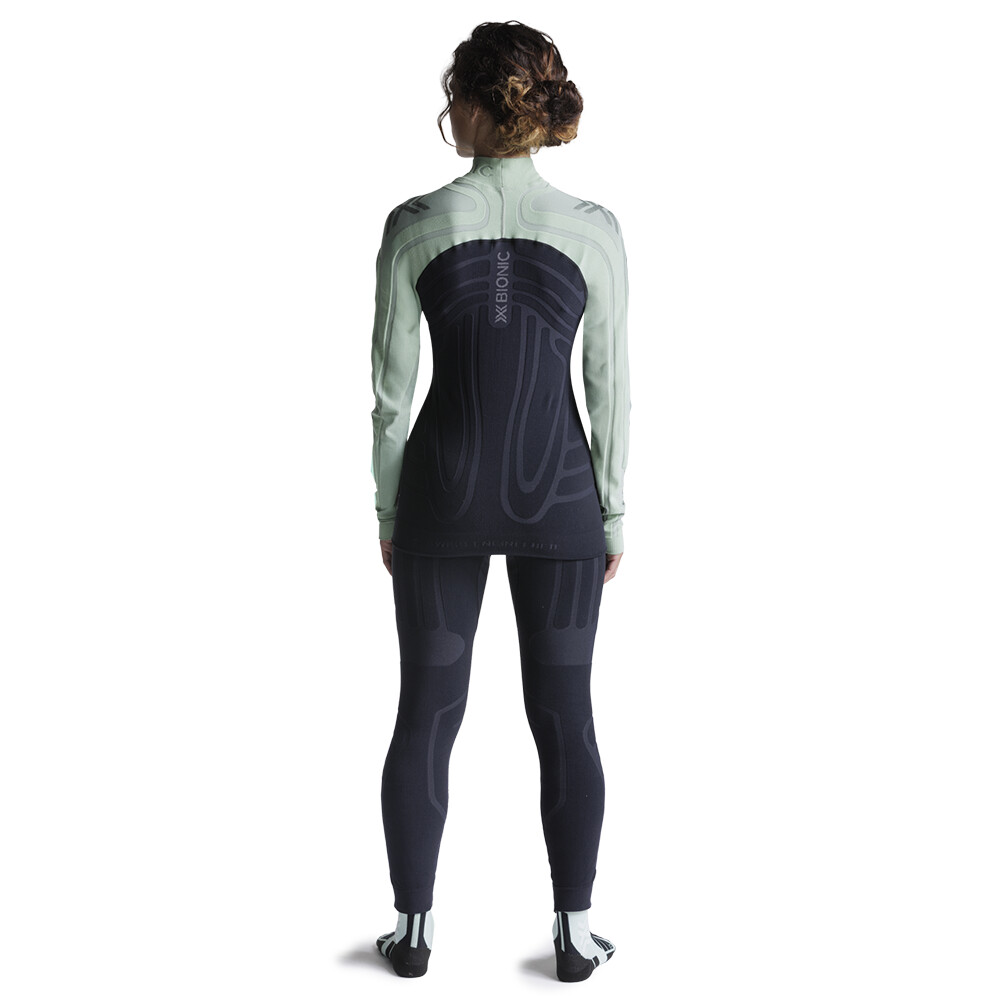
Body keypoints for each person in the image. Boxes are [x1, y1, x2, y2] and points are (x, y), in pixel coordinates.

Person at [368, 20, 630, 982]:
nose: (449, 112)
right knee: (566, 716)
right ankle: (575, 933)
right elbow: (610, 388)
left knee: (426, 713)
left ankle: (413, 932)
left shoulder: (413, 223)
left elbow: (390, 397)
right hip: (560, 497)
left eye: (453, 97)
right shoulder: (595, 230)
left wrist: (389, 511)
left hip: (439, 496)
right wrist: (612, 512)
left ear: (478, 106)